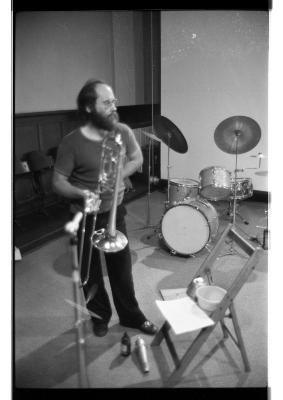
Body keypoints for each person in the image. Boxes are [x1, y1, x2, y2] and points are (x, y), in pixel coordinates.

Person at [53, 79, 158, 337]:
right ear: (89, 107)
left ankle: (132, 316)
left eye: (114, 101)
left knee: (122, 270)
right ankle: (100, 316)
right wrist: (82, 192)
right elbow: (58, 182)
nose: (113, 106)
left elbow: (137, 159)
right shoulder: (71, 142)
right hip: (83, 214)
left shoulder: (122, 130)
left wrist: (118, 175)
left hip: (114, 212)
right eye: (107, 102)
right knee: (90, 274)